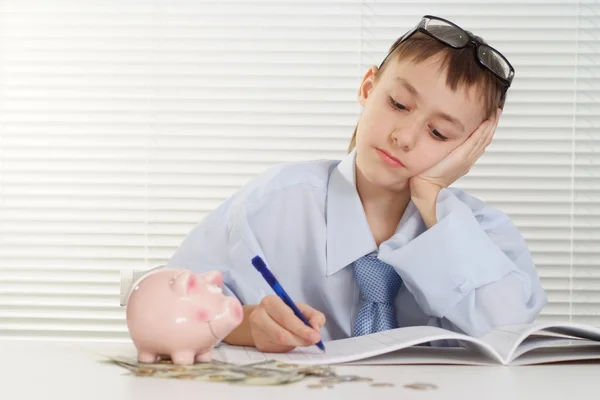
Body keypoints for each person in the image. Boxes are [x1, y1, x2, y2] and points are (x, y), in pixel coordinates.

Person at [167, 15, 547, 353]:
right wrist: (247, 326)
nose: (405, 137)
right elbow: (167, 306)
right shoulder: (276, 202)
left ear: (469, 148)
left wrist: (432, 199)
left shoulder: (484, 236)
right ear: (368, 88)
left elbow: (509, 337)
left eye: (438, 132)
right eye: (398, 104)